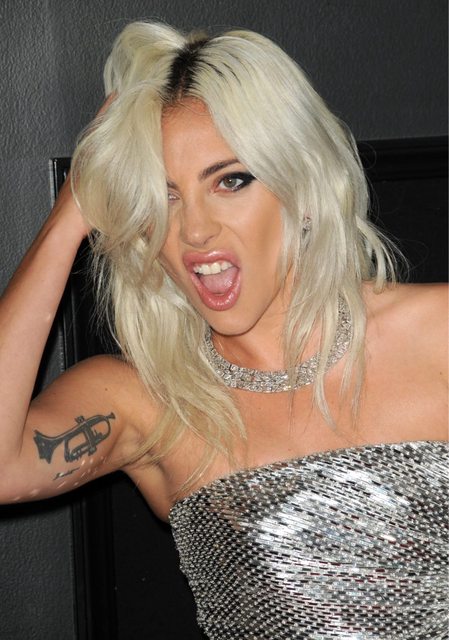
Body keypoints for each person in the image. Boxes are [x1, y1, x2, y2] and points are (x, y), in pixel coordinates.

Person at [0, 20, 447, 639]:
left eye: (230, 180)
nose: (195, 230)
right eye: (164, 196)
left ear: (302, 187)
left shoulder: (438, 334)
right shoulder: (149, 403)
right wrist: (71, 212)